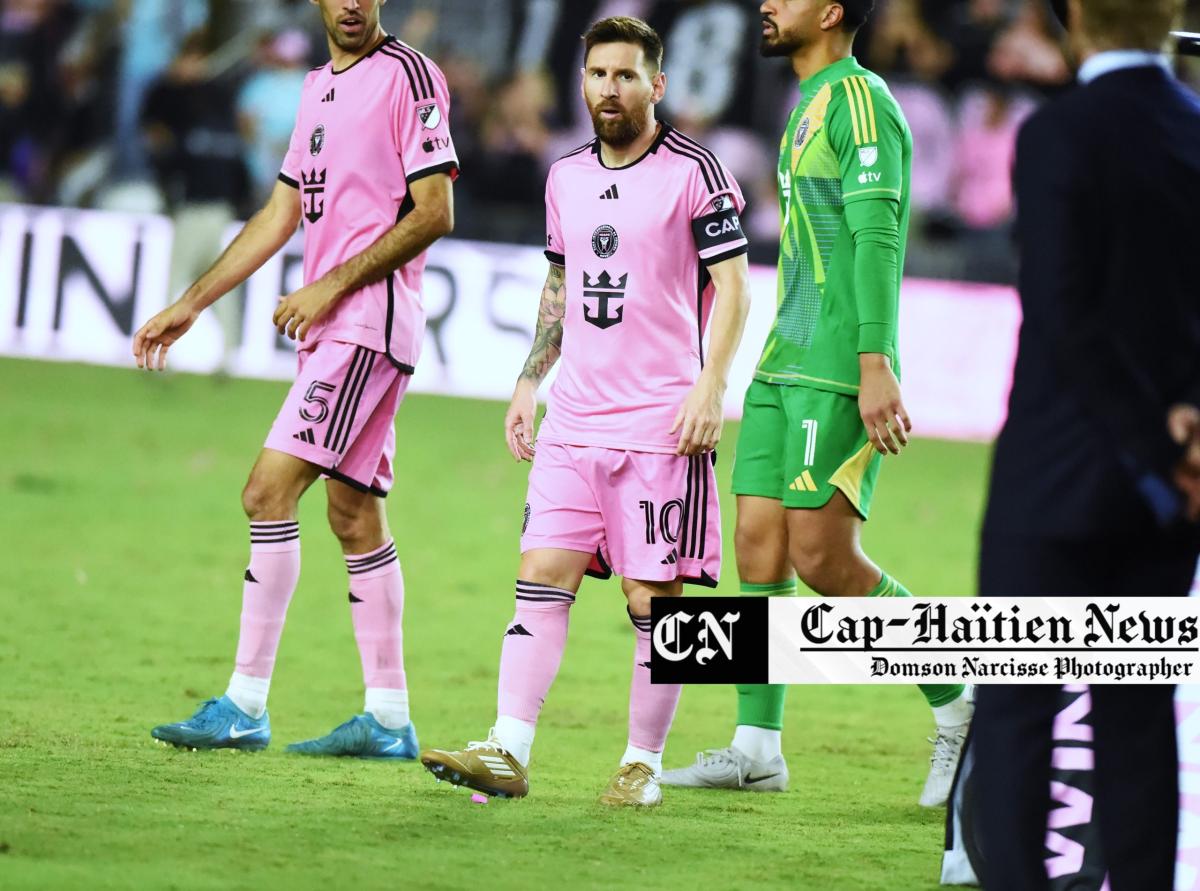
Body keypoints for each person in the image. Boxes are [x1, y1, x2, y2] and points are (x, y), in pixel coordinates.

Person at [419, 16, 752, 807]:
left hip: (661, 424)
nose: (610, 88)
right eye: (598, 74)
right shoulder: (564, 174)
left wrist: (710, 387)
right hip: (573, 420)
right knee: (539, 578)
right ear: (583, 82)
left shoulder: (697, 171)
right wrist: (531, 377)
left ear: (656, 85)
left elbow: (735, 287)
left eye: (627, 75)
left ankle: (642, 764)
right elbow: (561, 285)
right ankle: (507, 747)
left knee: (656, 604)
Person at [662, 0, 973, 807]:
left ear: (832, 11)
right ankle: (756, 746)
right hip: (781, 360)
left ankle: (962, 698)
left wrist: (876, 363)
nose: (767, 4)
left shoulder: (864, 102)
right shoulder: (808, 100)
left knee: (825, 559)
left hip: (837, 365)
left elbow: (879, 238)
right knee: (758, 545)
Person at [132, 0, 458, 758]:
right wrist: (192, 303)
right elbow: (281, 212)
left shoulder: (410, 75)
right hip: (334, 332)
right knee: (354, 516)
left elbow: (435, 209)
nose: (351, 3)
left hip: (365, 326)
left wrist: (330, 286)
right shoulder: (316, 88)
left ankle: (245, 701)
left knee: (265, 491)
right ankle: (388, 716)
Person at [974, 0, 1200, 886]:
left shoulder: (1059, 133)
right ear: (1170, 17)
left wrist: (1151, 442)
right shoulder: (1193, 132)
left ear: (1073, 17)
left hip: (1056, 477)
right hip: (1176, 487)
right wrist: (1184, 427)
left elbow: (1065, 314)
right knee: (1138, 719)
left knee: (1021, 713)